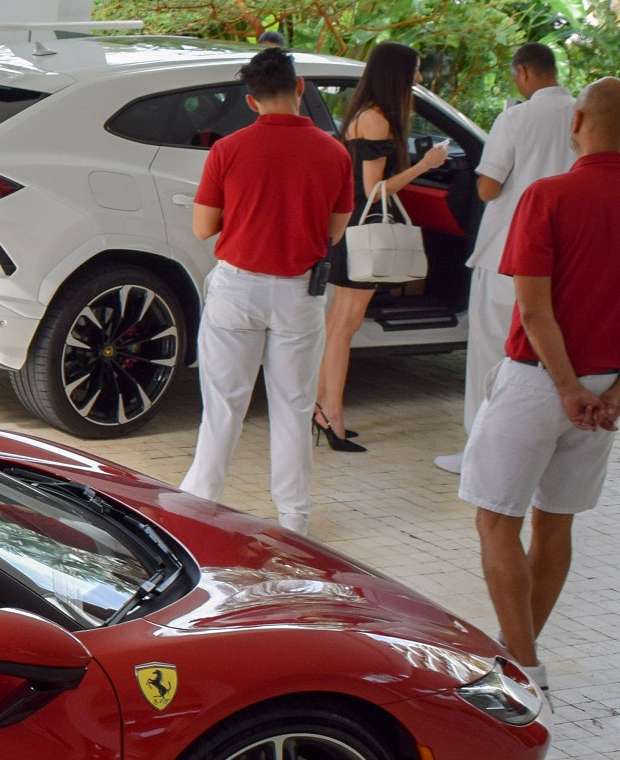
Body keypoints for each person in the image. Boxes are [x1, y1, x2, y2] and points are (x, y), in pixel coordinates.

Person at [459, 78, 620, 690]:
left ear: (576, 121)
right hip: (605, 391)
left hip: (540, 381)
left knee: (496, 521)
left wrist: (565, 386)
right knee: (554, 522)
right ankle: (518, 651)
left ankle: (521, 666)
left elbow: (533, 310)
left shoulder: (547, 197)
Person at [179, 47, 354, 535]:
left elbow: (201, 228)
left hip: (237, 289)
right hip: (299, 293)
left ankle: (198, 507)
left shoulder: (228, 150)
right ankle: (294, 520)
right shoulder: (334, 152)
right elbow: (335, 231)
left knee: (224, 406)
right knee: (294, 408)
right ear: (300, 88)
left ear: (252, 102)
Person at [435, 41, 578, 473]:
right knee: (547, 355)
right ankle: (538, 450)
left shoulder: (516, 117)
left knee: (490, 354)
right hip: (562, 257)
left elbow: (487, 187)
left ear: (523, 73)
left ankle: (479, 453)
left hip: (507, 253)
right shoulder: (582, 115)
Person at [313, 42, 448, 451]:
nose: (420, 79)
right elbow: (375, 190)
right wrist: (425, 167)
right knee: (343, 325)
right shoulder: (377, 119)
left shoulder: (363, 112)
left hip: (350, 227)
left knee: (338, 323)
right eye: (416, 71)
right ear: (397, 74)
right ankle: (331, 415)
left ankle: (322, 408)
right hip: (363, 229)